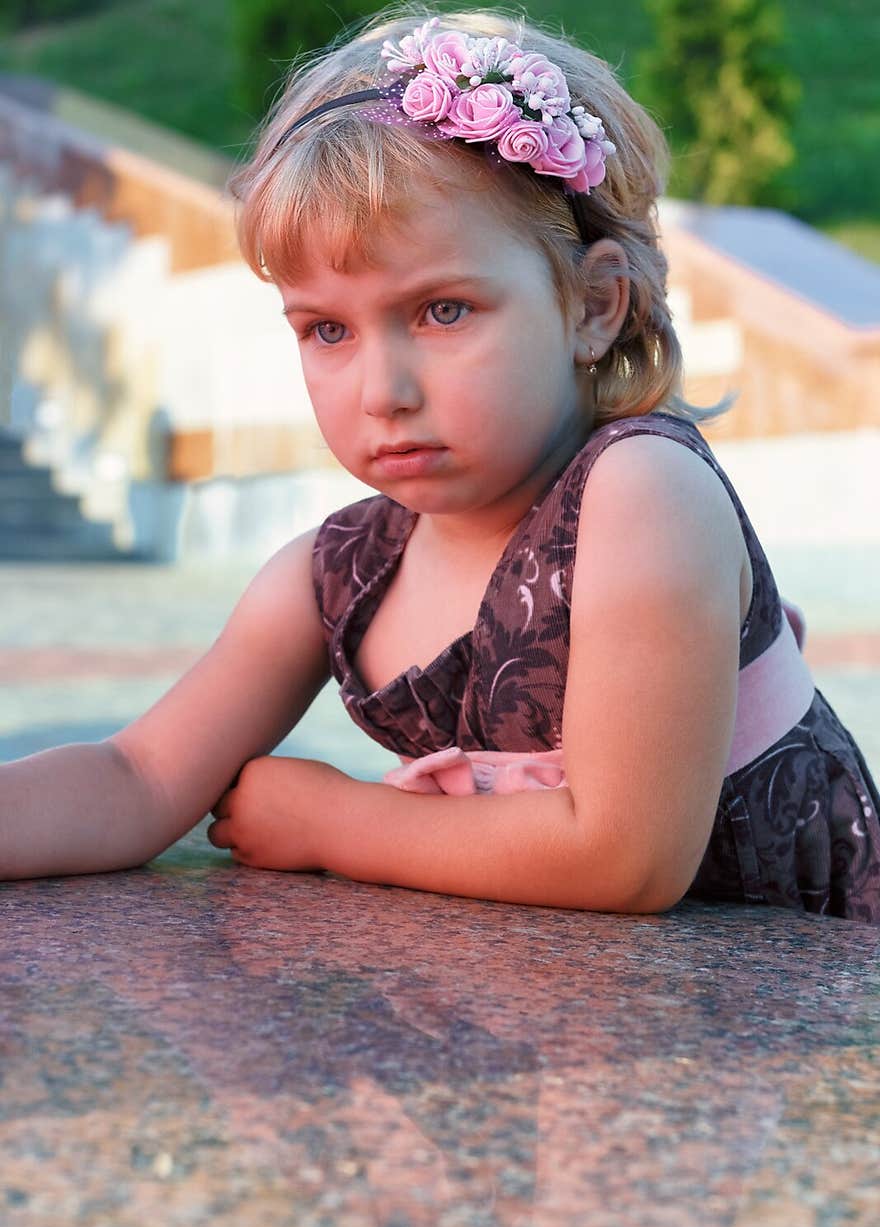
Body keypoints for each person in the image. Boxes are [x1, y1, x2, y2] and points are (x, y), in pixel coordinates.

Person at [2, 6, 878, 922]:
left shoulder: (641, 493)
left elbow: (627, 858)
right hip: (557, 1021)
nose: (384, 390)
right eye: (327, 329)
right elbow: (138, 776)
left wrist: (337, 820)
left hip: (792, 1008)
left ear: (593, 306)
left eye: (443, 311)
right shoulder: (336, 577)